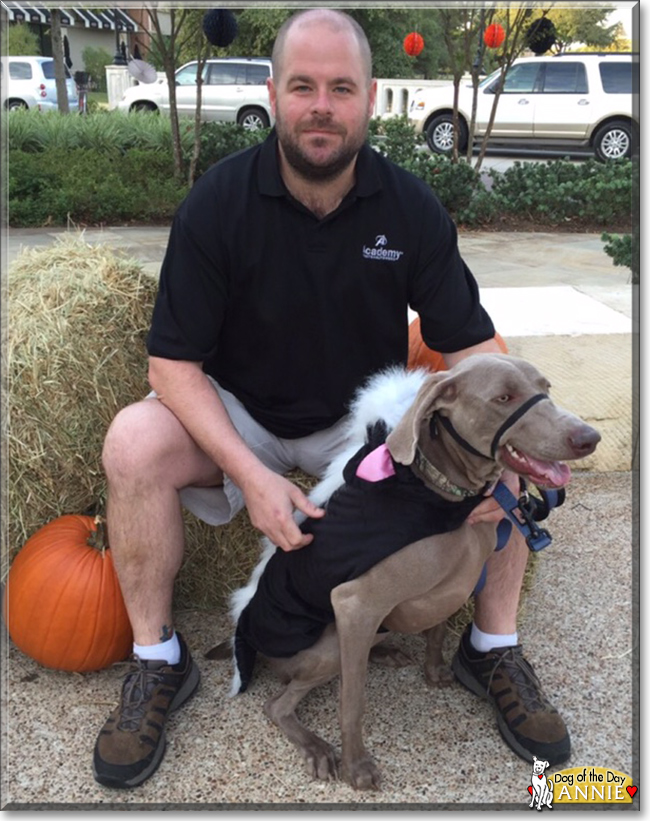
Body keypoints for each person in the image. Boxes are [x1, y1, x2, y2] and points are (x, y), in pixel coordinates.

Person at [93, 8, 569, 790]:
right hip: (239, 412)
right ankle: (158, 662)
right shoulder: (217, 202)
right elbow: (171, 364)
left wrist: (513, 431)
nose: (322, 106)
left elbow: (474, 350)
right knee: (132, 440)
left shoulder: (410, 208)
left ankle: (491, 649)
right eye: (304, 86)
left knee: (500, 429)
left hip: (362, 431)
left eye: (340, 88)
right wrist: (249, 475)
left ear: (370, 99)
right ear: (275, 93)